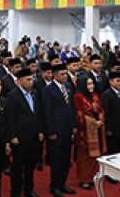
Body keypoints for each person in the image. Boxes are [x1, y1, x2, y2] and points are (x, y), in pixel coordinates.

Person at [5, 68, 44, 197]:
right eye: (28, 80)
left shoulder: (35, 93)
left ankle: (29, 189)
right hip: (20, 137)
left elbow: (38, 113)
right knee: (17, 166)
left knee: (30, 165)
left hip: (33, 136)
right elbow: (9, 118)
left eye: (32, 79)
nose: (31, 82)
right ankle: (15, 191)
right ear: (19, 81)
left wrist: (40, 130)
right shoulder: (12, 96)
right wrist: (12, 136)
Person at [42, 63, 76, 196]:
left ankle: (63, 184)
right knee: (56, 159)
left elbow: (71, 106)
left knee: (66, 159)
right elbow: (47, 112)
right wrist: (51, 131)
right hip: (56, 130)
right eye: (62, 74)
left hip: (67, 128)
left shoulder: (68, 87)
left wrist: (74, 125)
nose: (65, 76)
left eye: (66, 73)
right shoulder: (48, 90)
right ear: (55, 76)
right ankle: (54, 186)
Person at [74, 77, 106, 190]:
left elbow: (101, 110)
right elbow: (79, 115)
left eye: (92, 83)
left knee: (95, 156)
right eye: (88, 84)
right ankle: (84, 179)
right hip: (84, 132)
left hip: (96, 130)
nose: (91, 86)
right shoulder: (78, 97)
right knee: (85, 157)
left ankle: (92, 177)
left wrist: (101, 119)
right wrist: (93, 123)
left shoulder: (95, 95)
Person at [101, 71, 120, 155]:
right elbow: (106, 113)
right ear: (111, 82)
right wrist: (108, 129)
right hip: (114, 130)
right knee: (114, 151)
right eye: (118, 81)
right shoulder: (106, 95)